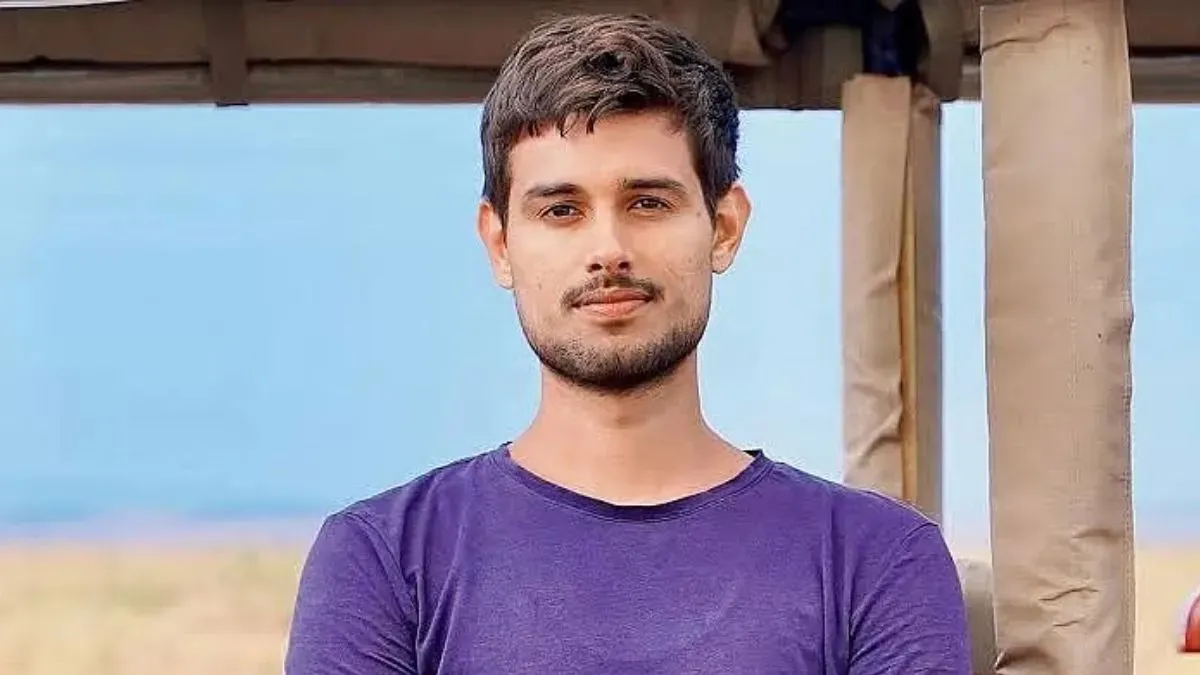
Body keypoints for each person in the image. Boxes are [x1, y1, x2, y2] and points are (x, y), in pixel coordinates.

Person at [285, 13, 971, 675]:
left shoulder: (877, 559)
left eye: (648, 202)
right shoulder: (383, 560)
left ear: (724, 227)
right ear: (499, 243)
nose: (608, 249)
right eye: (562, 210)